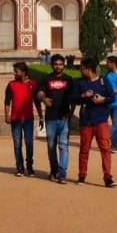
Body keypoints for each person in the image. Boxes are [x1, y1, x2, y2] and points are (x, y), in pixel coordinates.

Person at [73, 57, 116, 187]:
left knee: (105, 149)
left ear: (88, 69)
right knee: (84, 149)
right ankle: (82, 175)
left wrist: (102, 99)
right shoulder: (80, 82)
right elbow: (73, 99)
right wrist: (83, 96)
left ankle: (107, 177)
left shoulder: (103, 81)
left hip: (101, 120)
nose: (81, 70)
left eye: (82, 68)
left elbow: (112, 97)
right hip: (86, 121)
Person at [37, 53, 74, 183]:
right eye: (56, 64)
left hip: (63, 117)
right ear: (52, 65)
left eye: (60, 64)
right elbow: (40, 93)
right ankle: (54, 170)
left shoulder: (69, 79)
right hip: (51, 118)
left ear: (63, 65)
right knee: (51, 146)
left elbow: (73, 98)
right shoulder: (46, 79)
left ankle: (62, 173)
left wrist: (71, 113)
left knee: (63, 145)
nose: (58, 66)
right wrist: (43, 98)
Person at [4, 62, 40, 177]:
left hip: (28, 118)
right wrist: (7, 115)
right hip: (15, 118)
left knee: (29, 142)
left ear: (23, 72)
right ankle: (19, 167)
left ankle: (29, 166)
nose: (14, 73)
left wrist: (41, 116)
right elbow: (7, 102)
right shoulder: (11, 84)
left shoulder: (33, 84)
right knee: (17, 143)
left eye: (16, 71)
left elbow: (37, 102)